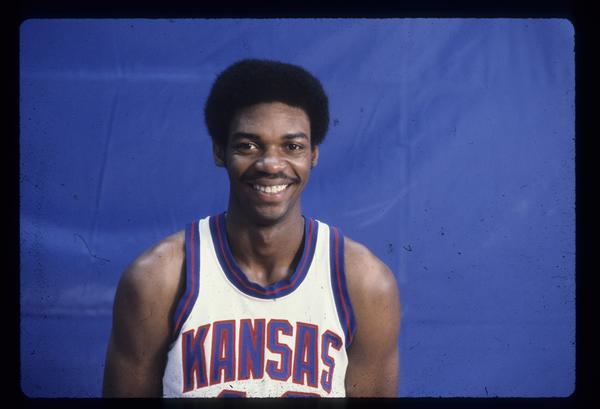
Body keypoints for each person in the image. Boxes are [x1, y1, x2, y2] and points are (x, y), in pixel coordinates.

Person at [102, 59, 401, 398]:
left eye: (292, 147)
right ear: (220, 151)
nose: (270, 164)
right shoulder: (159, 278)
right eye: (248, 145)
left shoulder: (363, 284)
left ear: (313, 155)